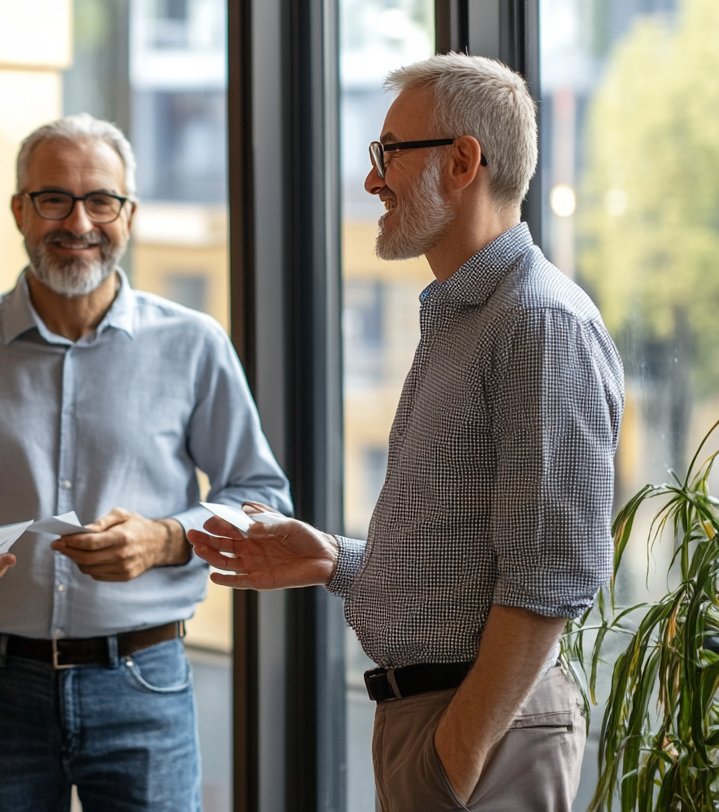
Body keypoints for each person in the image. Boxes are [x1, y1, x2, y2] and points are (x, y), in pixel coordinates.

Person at [189, 54, 624, 812]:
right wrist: (335, 561)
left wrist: (452, 759)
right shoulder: (461, 316)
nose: (372, 180)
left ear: (462, 162)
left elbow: (550, 575)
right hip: (439, 725)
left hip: (481, 736)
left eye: (389, 153)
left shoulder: (539, 322)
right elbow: (467, 558)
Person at [0, 113, 291, 811]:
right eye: (53, 199)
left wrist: (169, 538)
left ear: (129, 214)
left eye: (101, 200)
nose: (79, 222)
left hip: (145, 682)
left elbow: (263, 496)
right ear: (18, 211)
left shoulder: (193, 344)